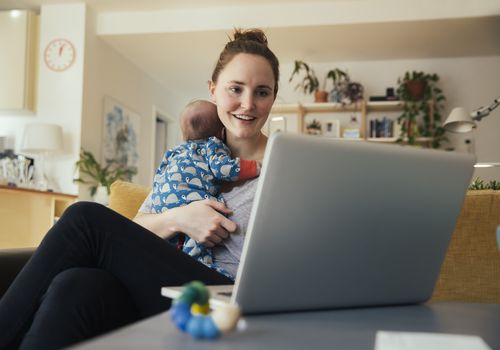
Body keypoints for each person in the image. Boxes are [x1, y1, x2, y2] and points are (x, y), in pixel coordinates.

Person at [0, 27, 279, 350]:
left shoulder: (284, 167)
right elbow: (133, 231)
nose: (248, 104)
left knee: (84, 219)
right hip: (165, 292)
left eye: (262, 92)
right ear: (213, 90)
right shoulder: (187, 161)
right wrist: (180, 218)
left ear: (273, 97)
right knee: (75, 285)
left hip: (226, 299)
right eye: (235, 88)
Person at [153, 99, 261, 277]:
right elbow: (224, 169)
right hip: (189, 204)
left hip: (162, 201)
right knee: (195, 242)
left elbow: (159, 176)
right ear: (221, 132)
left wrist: (160, 198)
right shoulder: (213, 145)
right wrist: (256, 167)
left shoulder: (175, 152)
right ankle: (203, 264)